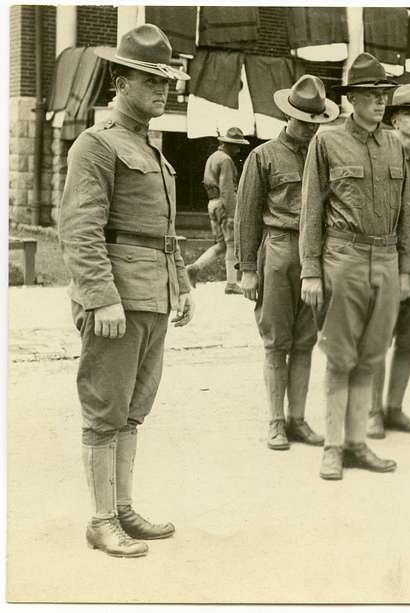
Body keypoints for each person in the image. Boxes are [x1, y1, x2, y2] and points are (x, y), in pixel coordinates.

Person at [60, 24, 194, 557]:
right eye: (149, 80)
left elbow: (163, 232)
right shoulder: (96, 145)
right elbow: (80, 229)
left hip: (153, 295)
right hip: (118, 297)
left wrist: (180, 284)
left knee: (134, 408)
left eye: (166, 81)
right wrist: (100, 296)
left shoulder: (152, 151)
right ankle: (99, 520)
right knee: (104, 406)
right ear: (120, 82)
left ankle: (122, 508)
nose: (163, 91)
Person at [299, 53, 410, 480]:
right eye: (370, 95)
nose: (380, 103)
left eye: (383, 95)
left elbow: (404, 213)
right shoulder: (326, 142)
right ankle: (332, 446)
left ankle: (357, 444)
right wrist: (311, 270)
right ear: (351, 99)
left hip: (384, 258)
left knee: (370, 356)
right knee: (340, 356)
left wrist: (404, 269)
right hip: (342, 257)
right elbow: (311, 212)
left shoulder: (395, 144)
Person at [235, 75, 337, 451]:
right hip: (278, 251)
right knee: (277, 343)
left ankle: (298, 420)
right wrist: (246, 269)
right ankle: (276, 421)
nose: (311, 128)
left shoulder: (325, 157)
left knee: (306, 341)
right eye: (304, 120)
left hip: (316, 257)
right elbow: (246, 215)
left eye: (316, 122)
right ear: (288, 116)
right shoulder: (263, 156)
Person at [367, 84, 410, 438]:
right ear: (393, 118)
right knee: (379, 336)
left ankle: (394, 408)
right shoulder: (381, 159)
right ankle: (372, 412)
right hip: (389, 253)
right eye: (409, 113)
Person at [185, 126, 248, 294]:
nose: (238, 148)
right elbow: (227, 189)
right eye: (235, 145)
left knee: (221, 245)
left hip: (212, 203)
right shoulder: (226, 160)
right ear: (226, 144)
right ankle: (232, 283)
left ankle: (194, 268)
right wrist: (232, 214)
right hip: (223, 204)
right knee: (232, 244)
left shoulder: (214, 157)